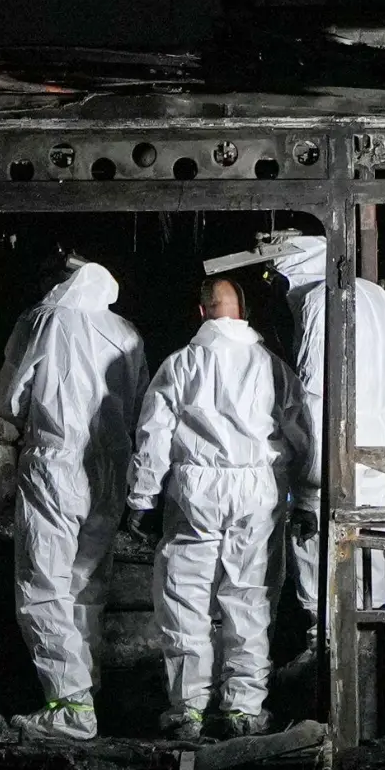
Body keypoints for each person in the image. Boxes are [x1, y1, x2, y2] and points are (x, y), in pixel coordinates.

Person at [126, 278, 318, 741]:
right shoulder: (272, 366)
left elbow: (154, 433)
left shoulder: (181, 364)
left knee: (185, 598)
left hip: (197, 486)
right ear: (243, 312)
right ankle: (244, 709)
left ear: (201, 312)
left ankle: (188, 709)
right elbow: (300, 431)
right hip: (257, 487)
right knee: (249, 599)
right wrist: (306, 495)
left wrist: (141, 497)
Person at [0, 252, 150, 741]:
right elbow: (142, 401)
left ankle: (70, 707)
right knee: (87, 586)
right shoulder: (126, 331)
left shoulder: (42, 320)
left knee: (44, 582)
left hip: (56, 461)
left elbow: (10, 399)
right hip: (110, 466)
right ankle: (88, 691)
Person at [271, 236, 385, 647]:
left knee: (314, 543)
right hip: (380, 438)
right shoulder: (380, 298)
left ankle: (323, 641)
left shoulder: (320, 300)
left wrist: (304, 465)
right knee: (369, 540)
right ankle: (371, 629)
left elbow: (314, 390)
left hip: (333, 444)